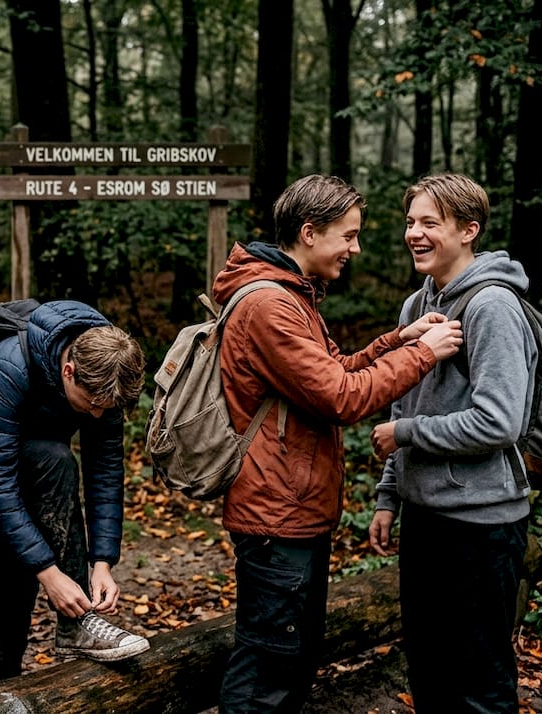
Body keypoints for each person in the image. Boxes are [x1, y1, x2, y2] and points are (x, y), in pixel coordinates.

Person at [212, 174, 464, 713]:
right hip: (276, 515)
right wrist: (424, 355)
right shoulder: (270, 306)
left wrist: (399, 339)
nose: (355, 248)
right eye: (347, 236)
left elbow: (330, 371)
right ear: (309, 233)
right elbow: (342, 397)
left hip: (292, 509)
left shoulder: (290, 294)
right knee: (267, 670)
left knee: (289, 659)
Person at [368, 173, 536, 713]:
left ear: (469, 230)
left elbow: (500, 421)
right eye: (410, 222)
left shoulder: (494, 307)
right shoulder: (415, 306)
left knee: (480, 681)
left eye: (429, 224)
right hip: (426, 517)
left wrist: (406, 436)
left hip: (483, 525)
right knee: (430, 668)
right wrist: (389, 497)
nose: (414, 234)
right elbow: (405, 402)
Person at [0, 301, 150, 683]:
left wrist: (102, 562)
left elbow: (104, 470)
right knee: (54, 460)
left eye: (107, 409)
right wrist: (50, 575)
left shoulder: (105, 379)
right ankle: (77, 627)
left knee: (17, 556)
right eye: (92, 406)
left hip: (33, 457)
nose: (98, 416)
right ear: (68, 371)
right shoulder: (7, 369)